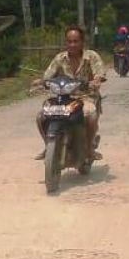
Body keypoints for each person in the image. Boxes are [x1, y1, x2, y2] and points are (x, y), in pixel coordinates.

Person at [34, 25, 106, 160]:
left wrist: (96, 80)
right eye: (69, 41)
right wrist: (41, 82)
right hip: (63, 98)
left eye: (75, 41)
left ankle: (89, 148)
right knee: (41, 117)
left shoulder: (91, 56)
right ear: (65, 42)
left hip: (86, 97)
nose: (72, 44)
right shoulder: (60, 58)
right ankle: (49, 145)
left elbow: (99, 73)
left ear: (82, 42)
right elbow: (48, 76)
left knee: (90, 116)